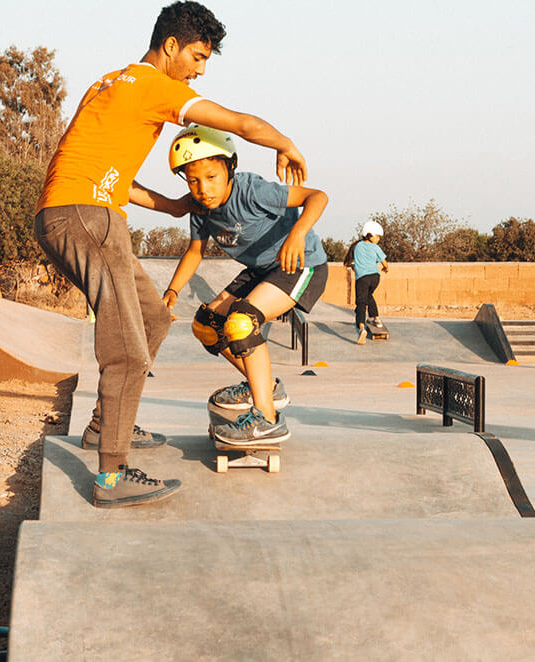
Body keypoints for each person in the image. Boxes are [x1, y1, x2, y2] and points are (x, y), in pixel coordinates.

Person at [33, 1, 308, 508]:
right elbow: (238, 122)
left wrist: (173, 205)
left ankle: (103, 428)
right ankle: (111, 478)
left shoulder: (109, 84)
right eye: (198, 58)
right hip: (88, 217)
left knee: (153, 318)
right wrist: (286, 144)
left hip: (76, 210)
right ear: (171, 47)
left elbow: (117, 179)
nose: (199, 71)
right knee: (127, 349)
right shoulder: (155, 86)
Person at [161, 124, 328, 445]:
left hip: (301, 263)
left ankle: (266, 419)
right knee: (206, 325)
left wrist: (297, 233)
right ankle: (263, 386)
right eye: (193, 181)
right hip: (261, 270)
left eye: (211, 177)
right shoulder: (200, 210)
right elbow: (195, 252)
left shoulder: (252, 191)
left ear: (229, 169)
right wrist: (172, 291)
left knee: (241, 322)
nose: (203, 189)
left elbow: (317, 197)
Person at [345, 221, 389, 345]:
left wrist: (355, 267)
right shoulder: (375, 248)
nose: (378, 239)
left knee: (361, 302)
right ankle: (376, 318)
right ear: (369, 235)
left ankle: (361, 328)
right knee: (368, 296)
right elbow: (385, 263)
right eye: (377, 236)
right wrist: (386, 268)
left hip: (362, 279)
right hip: (375, 278)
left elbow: (352, 261)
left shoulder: (357, 246)